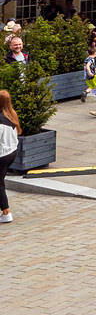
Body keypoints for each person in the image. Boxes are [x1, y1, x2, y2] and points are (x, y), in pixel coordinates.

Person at [0, 90, 21, 224]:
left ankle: (6, 212)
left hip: (2, 155)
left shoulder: (0, 120)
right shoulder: (12, 115)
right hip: (11, 152)